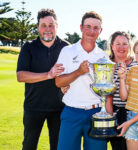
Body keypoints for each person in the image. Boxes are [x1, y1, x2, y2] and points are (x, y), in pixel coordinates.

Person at [16, 9, 69, 150]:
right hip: (33, 107)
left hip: (60, 108)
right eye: (43, 25)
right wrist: (48, 75)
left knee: (58, 147)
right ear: (38, 27)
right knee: (29, 145)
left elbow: (73, 74)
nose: (47, 29)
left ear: (57, 26)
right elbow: (21, 76)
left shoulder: (66, 47)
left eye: (51, 25)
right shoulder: (28, 47)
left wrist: (68, 84)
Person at [55, 11, 108, 150]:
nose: (91, 31)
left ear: (100, 30)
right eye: (88, 26)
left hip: (96, 113)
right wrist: (78, 72)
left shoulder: (103, 57)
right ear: (81, 28)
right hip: (72, 112)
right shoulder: (67, 51)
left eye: (96, 28)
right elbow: (59, 82)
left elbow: (107, 90)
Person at [106, 31, 137, 150]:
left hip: (134, 113)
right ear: (112, 46)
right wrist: (111, 118)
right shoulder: (106, 64)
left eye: (125, 43)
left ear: (129, 46)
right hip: (112, 112)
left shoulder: (137, 63)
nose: (121, 47)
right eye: (117, 43)